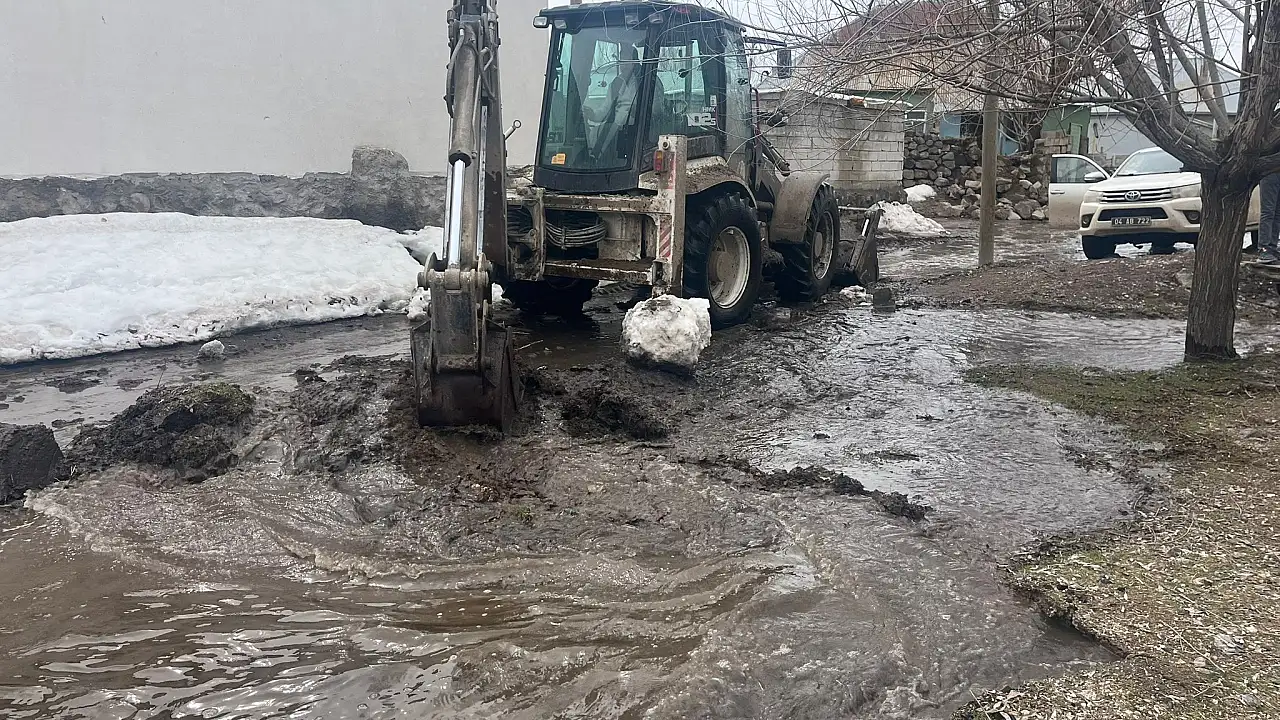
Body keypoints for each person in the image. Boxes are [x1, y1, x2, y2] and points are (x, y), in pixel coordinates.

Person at [1259, 171, 1280, 264]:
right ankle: (1264, 248)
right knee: (1268, 212)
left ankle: (1272, 247)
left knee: (1277, 214)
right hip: (1269, 172)